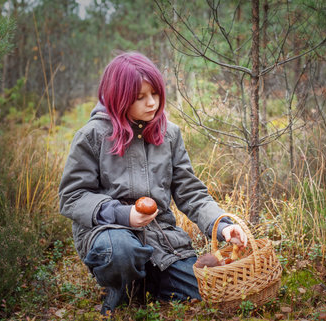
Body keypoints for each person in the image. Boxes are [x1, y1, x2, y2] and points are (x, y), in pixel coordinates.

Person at [58, 52, 248, 316]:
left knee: (208, 289)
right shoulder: (92, 136)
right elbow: (72, 197)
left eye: (155, 94)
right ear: (119, 96)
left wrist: (223, 226)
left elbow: (191, 192)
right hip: (109, 235)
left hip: (161, 242)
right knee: (122, 250)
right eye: (140, 97)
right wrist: (124, 215)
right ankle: (119, 292)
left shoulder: (169, 134)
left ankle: (150, 281)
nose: (152, 103)